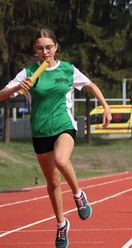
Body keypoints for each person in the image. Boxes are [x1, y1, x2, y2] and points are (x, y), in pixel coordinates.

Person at [0, 28, 112, 248]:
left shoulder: (68, 70)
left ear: (56, 47)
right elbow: (2, 95)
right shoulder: (29, 73)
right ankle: (61, 225)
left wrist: (105, 106)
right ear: (35, 51)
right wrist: (17, 86)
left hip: (64, 125)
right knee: (52, 183)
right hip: (40, 131)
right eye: (40, 48)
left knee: (62, 160)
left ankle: (79, 195)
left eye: (48, 47)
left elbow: (90, 85)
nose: (45, 52)